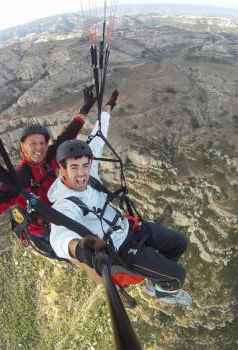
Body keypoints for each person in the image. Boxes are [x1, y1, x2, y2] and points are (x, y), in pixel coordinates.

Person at [48, 105, 192, 306]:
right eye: (74, 167)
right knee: (177, 277)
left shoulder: (92, 178)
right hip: (122, 250)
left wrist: (106, 110)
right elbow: (59, 236)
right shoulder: (65, 204)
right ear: (62, 169)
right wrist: (77, 248)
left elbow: (97, 140)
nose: (81, 173)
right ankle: (166, 293)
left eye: (85, 166)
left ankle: (155, 284)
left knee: (180, 243)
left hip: (131, 229)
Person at [0, 86, 98, 255]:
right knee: (88, 252)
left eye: (42, 143)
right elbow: (0, 198)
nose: (39, 148)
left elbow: (67, 135)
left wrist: (84, 109)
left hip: (62, 214)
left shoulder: (49, 158)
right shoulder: (20, 177)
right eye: (33, 144)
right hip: (44, 232)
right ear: (23, 148)